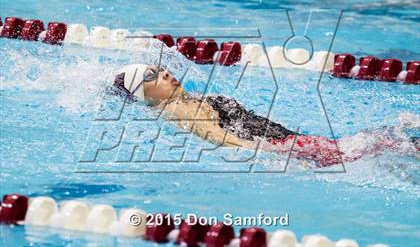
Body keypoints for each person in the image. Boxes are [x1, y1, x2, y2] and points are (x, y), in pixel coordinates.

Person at [113, 64, 417, 167]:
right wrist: (270, 153)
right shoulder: (179, 108)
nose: (165, 72)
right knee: (373, 146)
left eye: (159, 68)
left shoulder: (182, 102)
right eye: (153, 75)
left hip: (286, 142)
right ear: (144, 94)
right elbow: (217, 136)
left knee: (373, 146)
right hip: (284, 146)